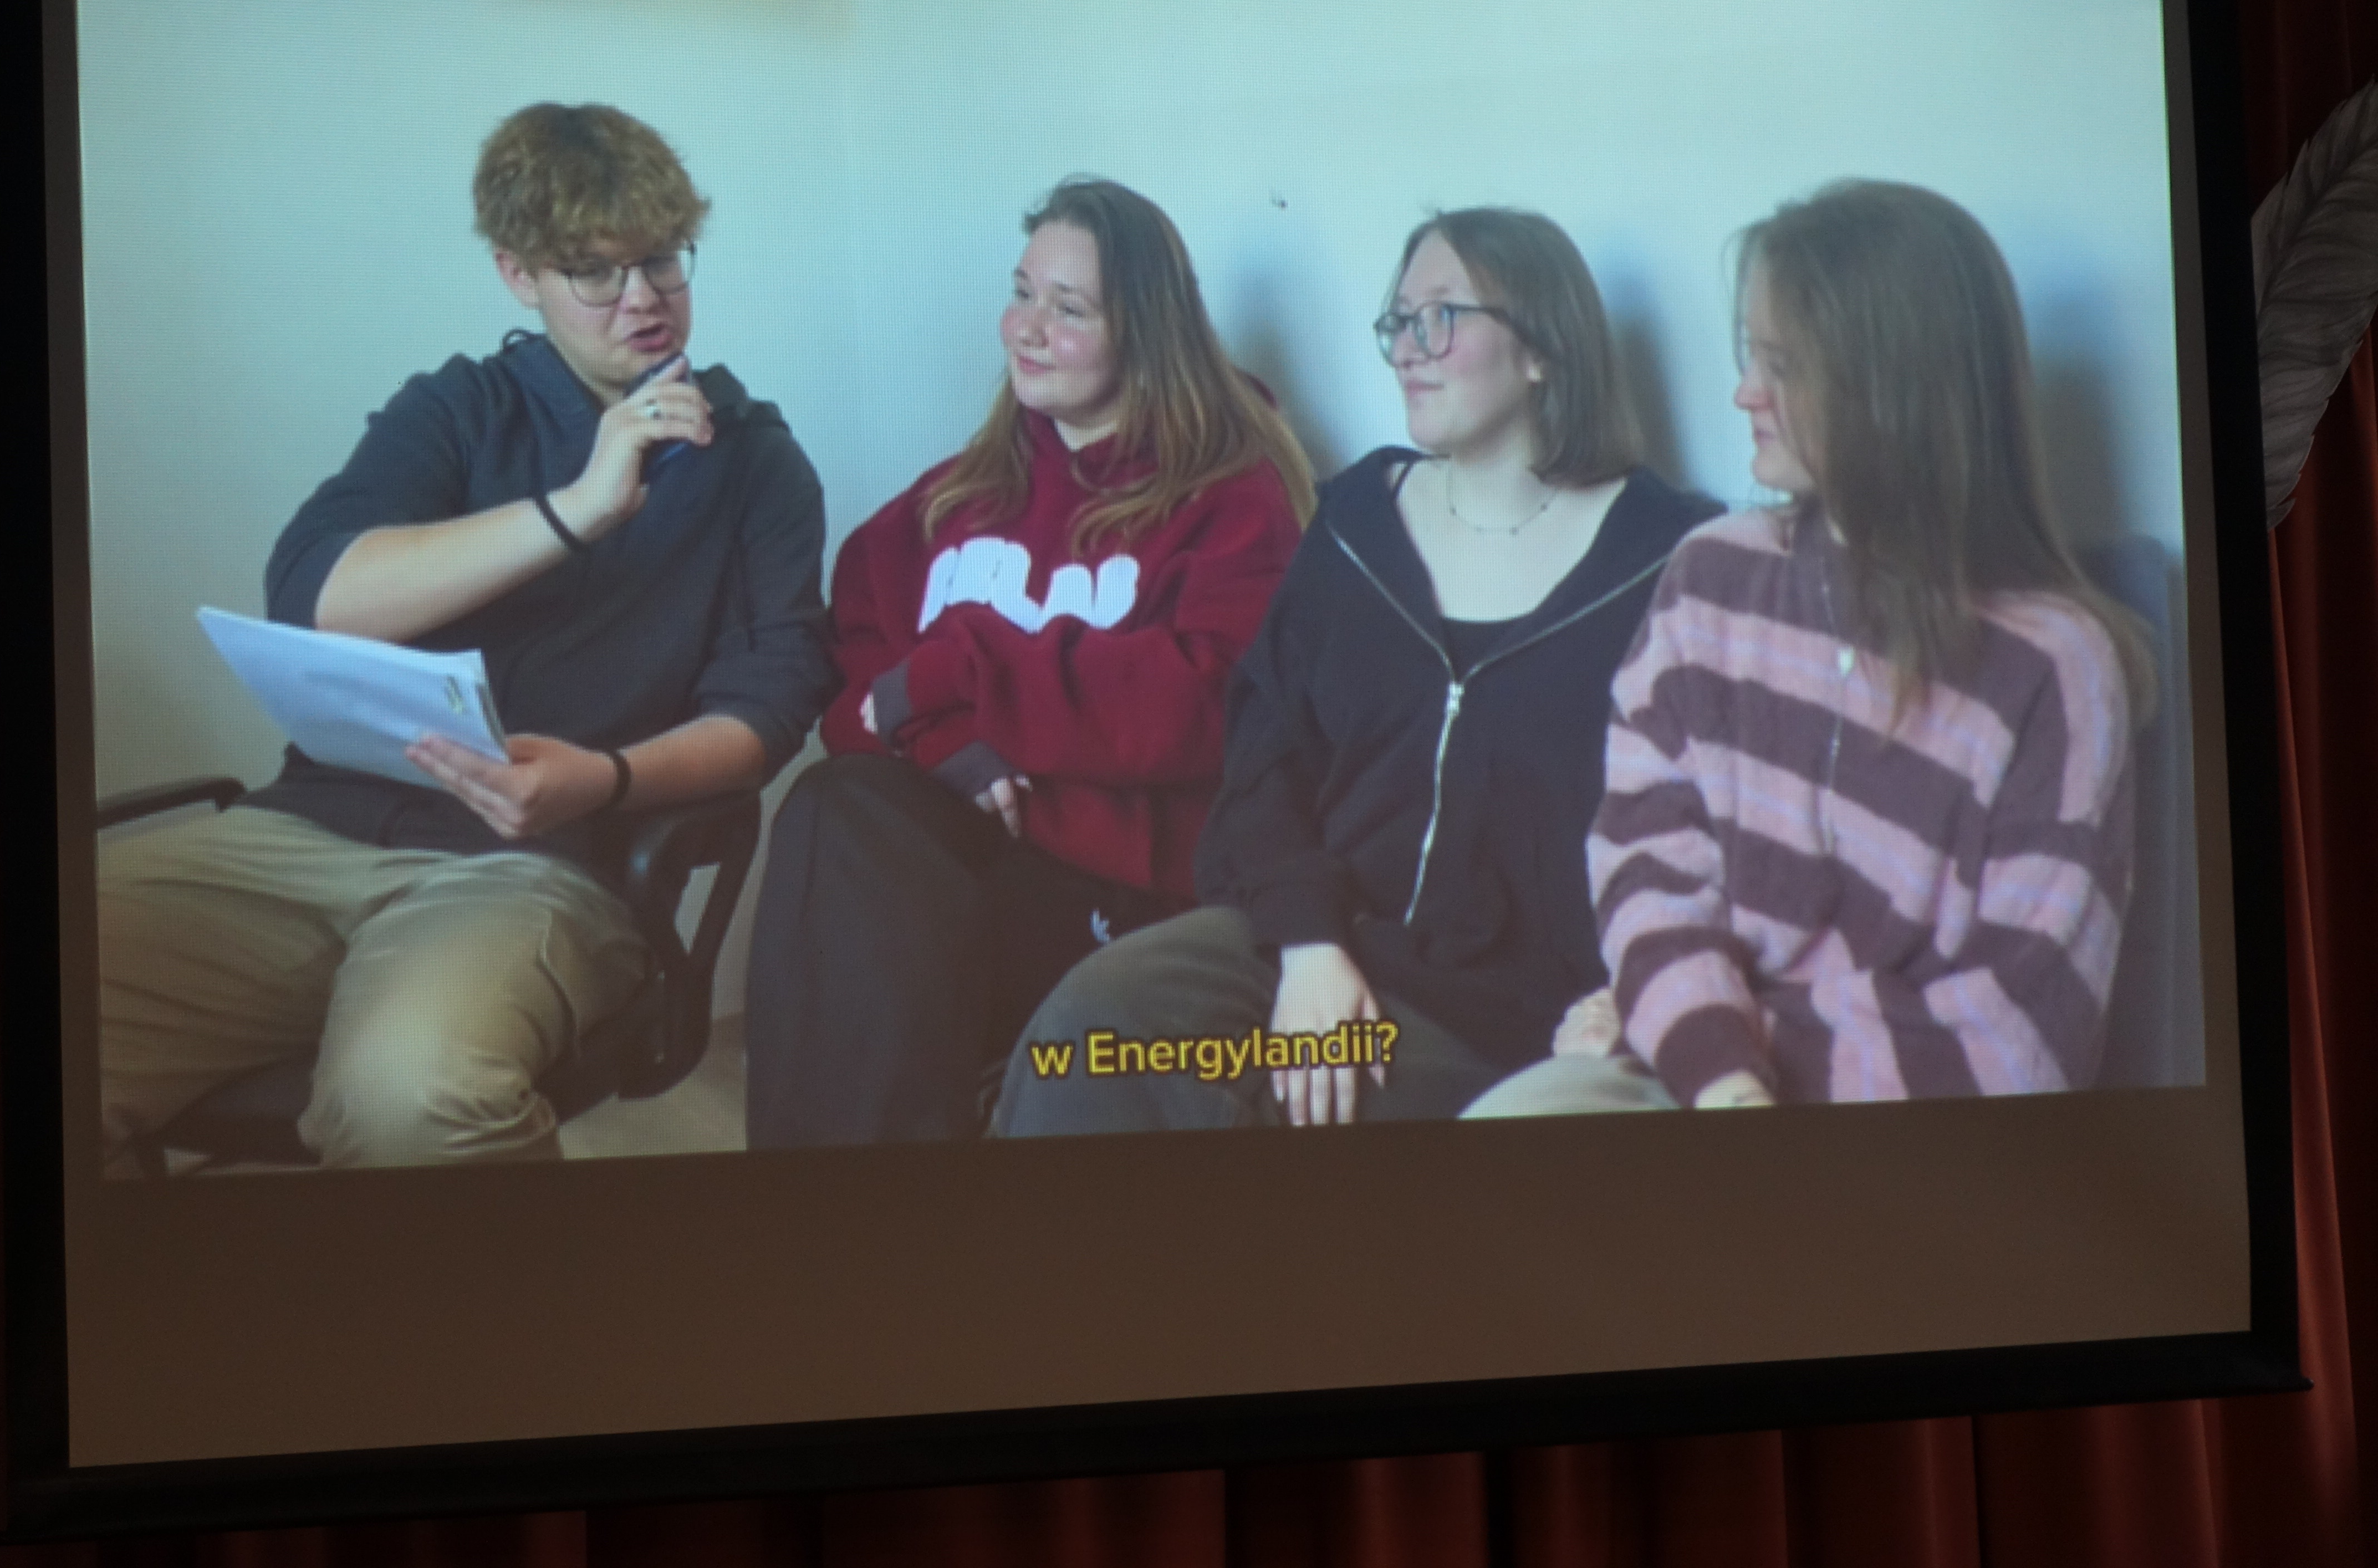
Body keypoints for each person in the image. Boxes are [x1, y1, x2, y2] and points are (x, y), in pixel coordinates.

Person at [99, 103, 836, 1169]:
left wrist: (604, 781)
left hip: (532, 866)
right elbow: (312, 593)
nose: (643, 297)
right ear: (517, 275)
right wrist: (576, 510)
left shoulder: (756, 462)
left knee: (413, 1096)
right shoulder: (456, 409)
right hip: (307, 830)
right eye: (595, 271)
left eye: (663, 260)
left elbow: (768, 709)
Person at [994, 207, 1719, 1135]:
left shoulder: (1670, 563)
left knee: (1272, 1100)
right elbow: (1263, 760)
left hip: (1497, 1010)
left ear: (1544, 347)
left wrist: (1636, 993)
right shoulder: (1358, 523)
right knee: (1085, 1033)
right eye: (1398, 321)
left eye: (1441, 318)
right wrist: (1311, 945)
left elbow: (1718, 827)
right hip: (1302, 941)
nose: (1408, 349)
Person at [1469, 180, 2152, 1117]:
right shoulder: (1711, 575)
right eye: (1751, 355)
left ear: (1888, 391)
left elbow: (2023, 1039)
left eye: (1781, 366)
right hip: (1692, 1076)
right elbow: (1645, 866)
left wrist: (1708, 1038)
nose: (1744, 392)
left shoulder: (2056, 670)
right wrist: (1715, 1069)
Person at [743, 177, 1313, 1148]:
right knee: (836, 808)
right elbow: (863, 658)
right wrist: (948, 746)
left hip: (1112, 885)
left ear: (1148, 334)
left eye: (1070, 309)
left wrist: (965, 672)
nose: (1027, 330)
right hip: (955, 861)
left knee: (862, 878)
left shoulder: (1230, 499)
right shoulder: (962, 492)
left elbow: (1205, 704)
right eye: (1021, 293)